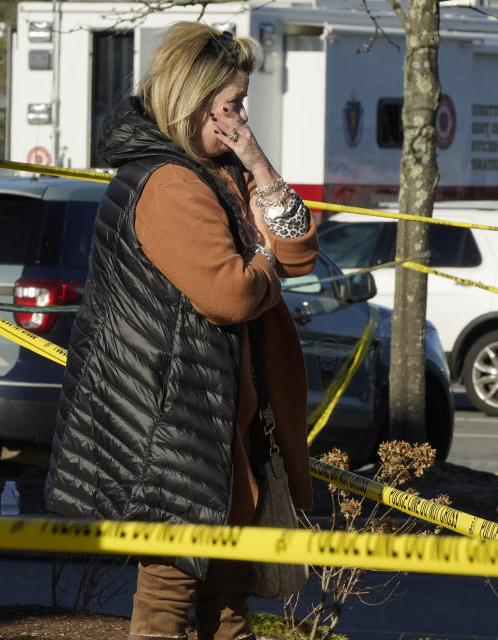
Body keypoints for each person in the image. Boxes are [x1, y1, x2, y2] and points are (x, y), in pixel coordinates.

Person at [43, 23, 318, 640]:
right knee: (168, 601)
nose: (241, 119)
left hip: (221, 426)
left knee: (228, 603)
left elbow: (300, 251)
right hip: (175, 427)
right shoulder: (169, 183)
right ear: (191, 102)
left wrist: (257, 163)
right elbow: (232, 294)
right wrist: (265, 261)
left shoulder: (219, 172)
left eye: (243, 104)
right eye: (232, 106)